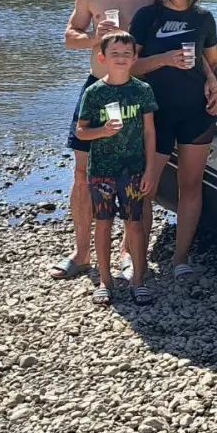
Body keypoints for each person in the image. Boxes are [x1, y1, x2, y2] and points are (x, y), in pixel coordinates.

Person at [54, 0, 164, 281]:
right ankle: (81, 252)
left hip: (139, 90)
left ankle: (128, 252)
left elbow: (182, 34)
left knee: (135, 174)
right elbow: (70, 35)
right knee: (83, 172)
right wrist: (91, 39)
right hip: (97, 90)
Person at [128, 0, 217, 283]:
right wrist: (166, 59)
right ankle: (135, 256)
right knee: (144, 187)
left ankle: (181, 258)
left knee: (190, 186)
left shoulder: (204, 18)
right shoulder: (147, 17)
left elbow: (214, 64)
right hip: (154, 113)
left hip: (196, 114)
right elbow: (131, 67)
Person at [73, 31, 162, 305]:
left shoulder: (142, 90)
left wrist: (149, 170)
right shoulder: (94, 92)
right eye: (115, 54)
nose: (121, 59)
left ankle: (138, 280)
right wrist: (102, 131)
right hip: (101, 171)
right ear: (103, 57)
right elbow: (81, 132)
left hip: (133, 171)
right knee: (103, 224)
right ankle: (105, 280)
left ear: (135, 57)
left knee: (134, 224)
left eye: (126, 54)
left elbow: (149, 132)